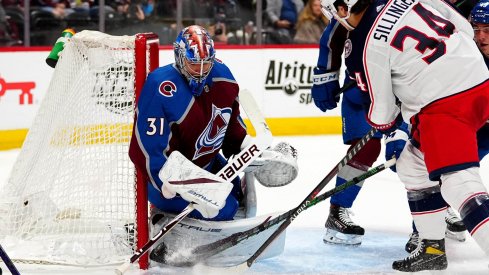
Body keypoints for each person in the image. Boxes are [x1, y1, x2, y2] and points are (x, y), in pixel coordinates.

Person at [318, 0, 489, 272]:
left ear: (343, 8)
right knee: (412, 165)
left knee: (460, 183)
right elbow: (460, 23)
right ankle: (432, 248)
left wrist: (392, 129)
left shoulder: (363, 48)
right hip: (479, 78)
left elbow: (381, 113)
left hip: (444, 106)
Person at [128, 25, 298, 265]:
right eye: (193, 64)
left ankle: (190, 217)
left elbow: (231, 127)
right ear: (179, 58)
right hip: (168, 179)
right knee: (224, 208)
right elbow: (146, 149)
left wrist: (248, 146)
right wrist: (167, 182)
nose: (199, 71)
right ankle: (159, 220)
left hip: (207, 166)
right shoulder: (161, 87)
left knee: (236, 198)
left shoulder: (223, 78)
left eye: (205, 64)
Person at [311, 17, 383, 245]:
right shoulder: (353, 6)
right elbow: (333, 36)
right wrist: (326, 74)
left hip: (405, 84)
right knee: (366, 148)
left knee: (414, 151)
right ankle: (338, 211)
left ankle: (430, 221)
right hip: (360, 84)